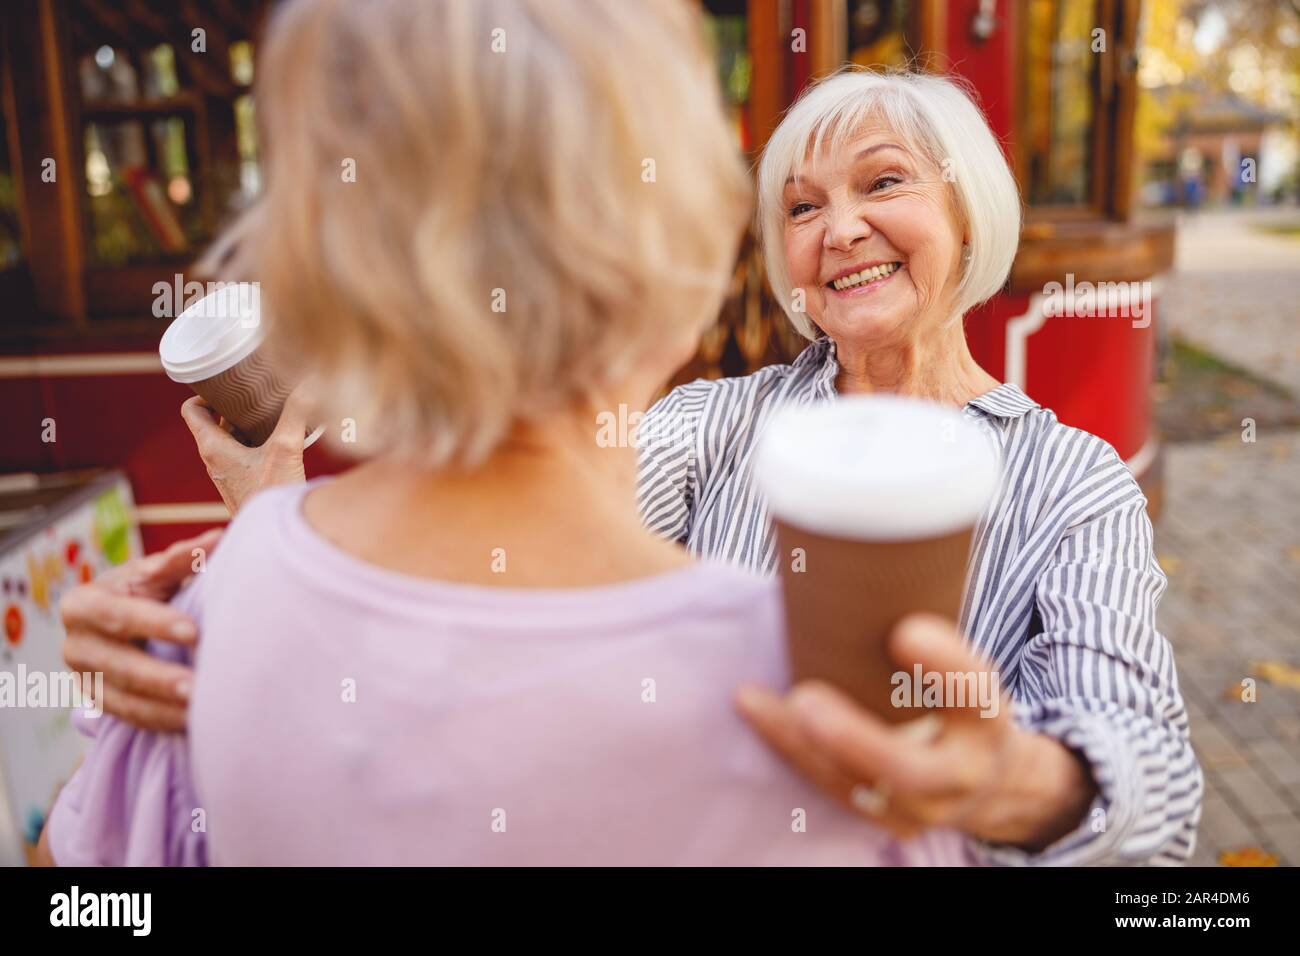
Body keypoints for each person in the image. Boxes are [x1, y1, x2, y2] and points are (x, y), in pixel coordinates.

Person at [56, 51, 1203, 864]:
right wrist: (240, 575)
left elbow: (1159, 787)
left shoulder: (1073, 482)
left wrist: (1014, 783)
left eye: (883, 183)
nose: (836, 227)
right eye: (799, 207)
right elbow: (477, 543)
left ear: (971, 210)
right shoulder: (716, 425)